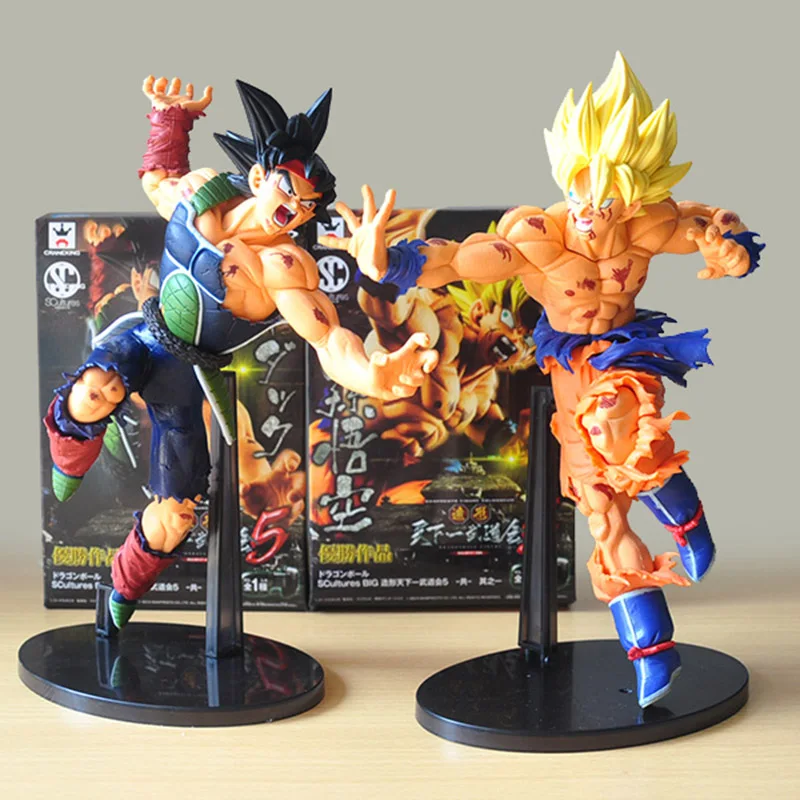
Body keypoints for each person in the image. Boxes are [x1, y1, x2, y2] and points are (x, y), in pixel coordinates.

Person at [325, 53, 764, 707]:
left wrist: (734, 252)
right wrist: (391, 262)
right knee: (601, 509)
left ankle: (686, 518)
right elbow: (456, 260)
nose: (590, 209)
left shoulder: (650, 222)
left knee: (618, 426)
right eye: (581, 188)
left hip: (625, 353)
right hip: (567, 366)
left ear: (634, 192)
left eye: (608, 197)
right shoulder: (539, 235)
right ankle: (653, 654)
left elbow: (719, 232)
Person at [45, 75, 437, 633]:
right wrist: (170, 118)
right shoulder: (204, 194)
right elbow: (158, 180)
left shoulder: (285, 269)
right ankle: (68, 464)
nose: (294, 209)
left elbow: (328, 338)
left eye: (307, 207)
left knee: (175, 517)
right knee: (95, 390)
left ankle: (121, 594)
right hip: (142, 338)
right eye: (289, 190)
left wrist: (374, 375)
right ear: (259, 177)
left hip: (185, 382)